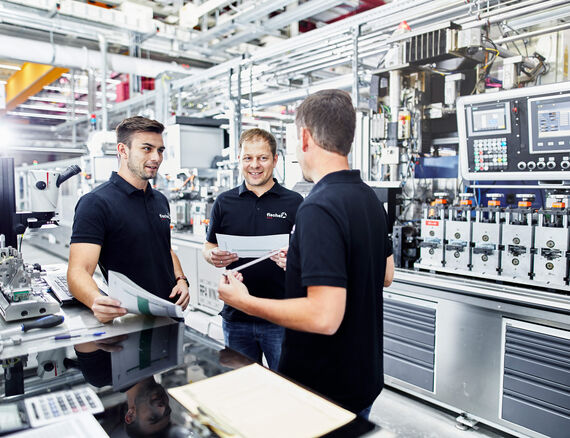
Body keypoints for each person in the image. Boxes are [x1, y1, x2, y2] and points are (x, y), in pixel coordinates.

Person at [218, 90, 395, 416]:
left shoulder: (318, 206)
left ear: (304, 136)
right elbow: (386, 275)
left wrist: (244, 301)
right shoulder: (370, 198)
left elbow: (324, 318)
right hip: (363, 378)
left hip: (321, 387)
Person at [68, 116, 190, 323]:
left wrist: (181, 279)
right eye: (147, 149)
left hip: (169, 313)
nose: (156, 158)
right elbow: (78, 271)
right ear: (123, 150)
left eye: (160, 150)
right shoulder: (95, 203)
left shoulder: (160, 200)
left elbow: (165, 249)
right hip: (128, 319)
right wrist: (95, 300)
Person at [203, 128, 303, 370]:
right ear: (239, 159)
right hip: (237, 318)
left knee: (287, 387)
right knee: (243, 389)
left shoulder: (294, 202)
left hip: (281, 316)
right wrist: (212, 255)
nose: (254, 165)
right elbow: (209, 246)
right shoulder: (225, 202)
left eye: (262, 158)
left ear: (275, 159)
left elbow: (306, 254)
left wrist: (294, 261)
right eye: (248, 158)